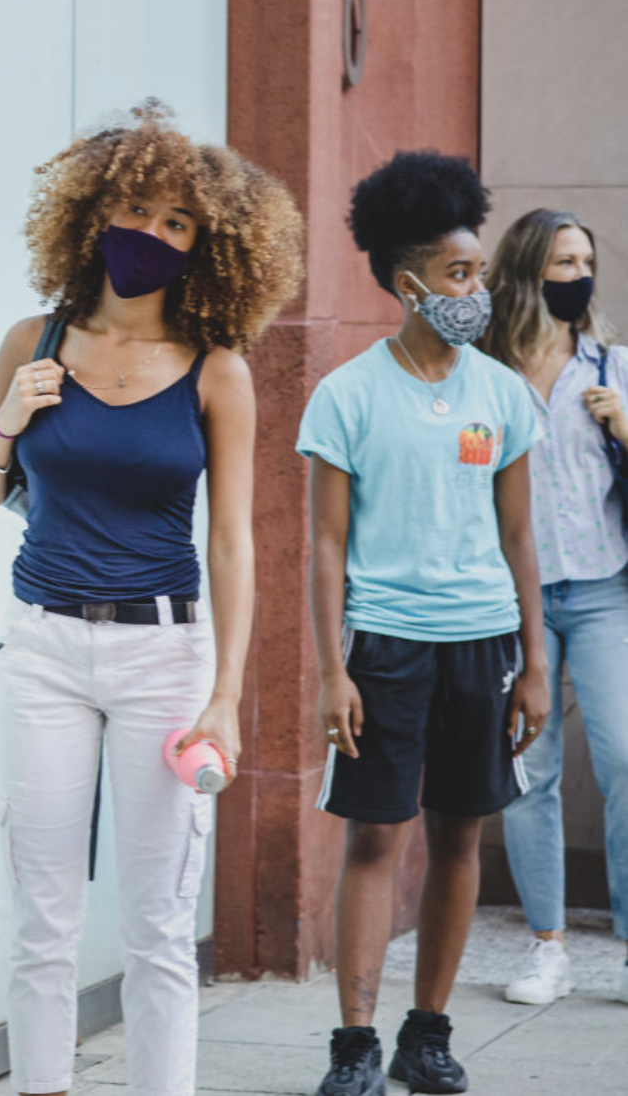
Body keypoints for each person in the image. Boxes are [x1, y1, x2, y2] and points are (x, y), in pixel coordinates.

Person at [0, 102, 304, 1096]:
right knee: (43, 924)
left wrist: (225, 696)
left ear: (207, 248)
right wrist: (8, 420)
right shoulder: (32, 341)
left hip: (163, 659)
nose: (149, 233)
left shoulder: (216, 373)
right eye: (137, 209)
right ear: (94, 211)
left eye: (177, 223)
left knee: (157, 927)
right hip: (42, 654)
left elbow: (230, 542)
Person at [299, 151, 548, 1096]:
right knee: (374, 840)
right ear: (408, 285)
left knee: (459, 838)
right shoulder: (347, 395)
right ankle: (355, 1046)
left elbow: (519, 535)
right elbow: (326, 545)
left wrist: (533, 662)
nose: (476, 291)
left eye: (479, 271)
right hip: (384, 646)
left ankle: (426, 1037)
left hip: (482, 645)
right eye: (458, 274)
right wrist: (333, 672)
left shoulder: (502, 393)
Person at [480, 209, 628, 1007]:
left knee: (625, 760)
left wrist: (625, 425)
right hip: (515, 601)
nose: (579, 277)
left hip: (604, 588)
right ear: (528, 269)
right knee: (528, 769)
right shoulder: (484, 373)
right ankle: (547, 947)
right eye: (563, 262)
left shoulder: (612, 366)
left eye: (586, 262)